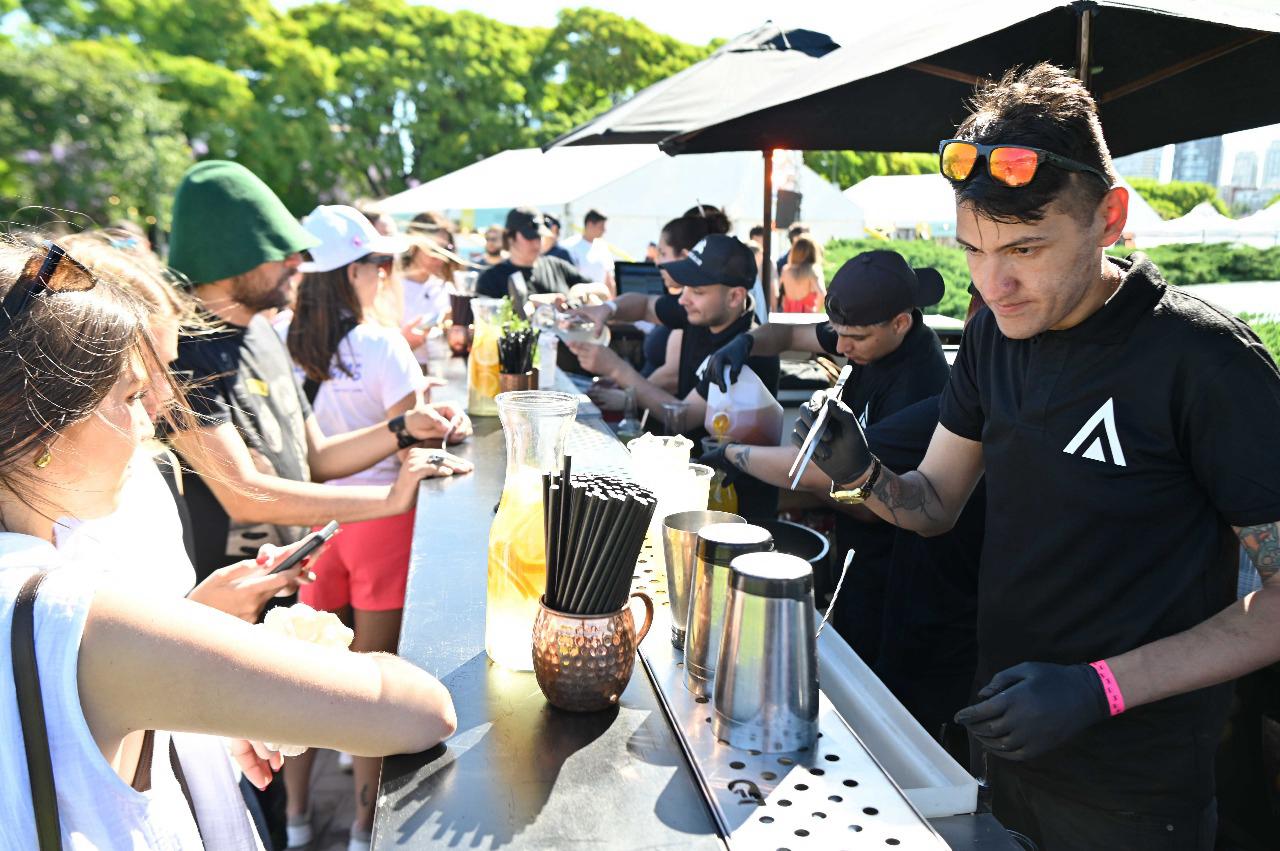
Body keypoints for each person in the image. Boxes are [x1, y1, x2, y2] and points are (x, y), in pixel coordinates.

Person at [795, 64, 1280, 849]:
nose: (996, 283)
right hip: (1004, 742)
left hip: (1137, 784)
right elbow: (937, 502)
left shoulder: (1203, 362)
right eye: (973, 250)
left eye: (1026, 245)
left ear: (1110, 217)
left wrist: (1101, 688)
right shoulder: (992, 336)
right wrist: (861, 475)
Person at [0, 236, 457, 849]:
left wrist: (195, 655)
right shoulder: (72, 613)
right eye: (130, 396)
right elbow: (419, 709)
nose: (150, 421)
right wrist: (250, 669)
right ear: (40, 424)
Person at [163, 161, 470, 586]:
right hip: (227, 602)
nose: (297, 261)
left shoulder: (262, 333)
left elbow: (317, 458)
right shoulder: (181, 353)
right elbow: (244, 495)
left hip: (287, 580)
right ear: (229, 261)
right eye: (276, 250)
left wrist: (405, 427)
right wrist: (392, 497)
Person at [277, 205, 471, 849]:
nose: (389, 273)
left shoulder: (281, 339)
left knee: (304, 677)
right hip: (382, 520)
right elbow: (413, 437)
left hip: (316, 522)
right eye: (381, 262)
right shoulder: (379, 342)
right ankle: (364, 828)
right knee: (371, 682)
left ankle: (297, 818)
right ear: (356, 272)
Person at [702, 249, 949, 663]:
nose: (842, 347)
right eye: (838, 334)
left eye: (855, 339)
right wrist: (745, 342)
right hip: (855, 550)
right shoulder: (867, 333)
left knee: (872, 675)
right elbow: (786, 336)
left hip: (897, 569)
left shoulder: (919, 385)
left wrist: (734, 454)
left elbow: (840, 485)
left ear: (901, 323)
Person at [571, 234, 781, 516]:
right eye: (684, 287)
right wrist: (606, 309)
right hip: (694, 479)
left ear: (735, 296)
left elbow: (683, 415)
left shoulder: (746, 352)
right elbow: (645, 305)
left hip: (730, 504)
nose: (683, 299)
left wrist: (616, 369)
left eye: (697, 290)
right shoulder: (703, 311)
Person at [475, 207, 599, 305]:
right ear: (510, 237)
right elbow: (487, 322)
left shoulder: (556, 266)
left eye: (539, 236)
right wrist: (531, 303)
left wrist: (583, 290)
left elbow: (602, 289)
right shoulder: (491, 279)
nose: (536, 242)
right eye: (530, 236)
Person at [563, 209, 615, 292]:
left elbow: (609, 279)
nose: (604, 230)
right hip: (580, 299)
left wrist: (613, 303)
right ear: (590, 225)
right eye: (601, 226)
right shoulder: (569, 246)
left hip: (601, 300)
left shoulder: (603, 247)